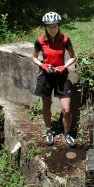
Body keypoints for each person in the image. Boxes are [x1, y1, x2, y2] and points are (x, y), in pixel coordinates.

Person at [32, 11, 77, 147]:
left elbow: (73, 57)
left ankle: (67, 133)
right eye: (49, 26)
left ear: (58, 25)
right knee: (46, 104)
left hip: (61, 75)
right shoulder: (40, 41)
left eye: (55, 26)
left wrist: (64, 66)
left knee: (67, 109)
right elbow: (33, 57)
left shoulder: (64, 39)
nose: (52, 29)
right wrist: (42, 64)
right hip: (46, 76)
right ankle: (49, 131)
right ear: (46, 27)